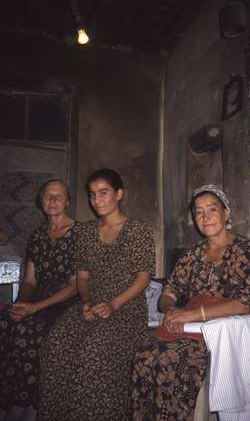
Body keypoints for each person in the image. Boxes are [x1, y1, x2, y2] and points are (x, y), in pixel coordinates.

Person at [130, 184, 250, 421]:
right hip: (189, 323)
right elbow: (168, 294)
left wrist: (191, 315)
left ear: (226, 213)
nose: (205, 217)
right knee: (144, 355)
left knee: (170, 359)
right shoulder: (193, 252)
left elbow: (244, 303)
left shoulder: (246, 249)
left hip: (223, 329)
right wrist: (172, 312)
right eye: (198, 212)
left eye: (212, 209)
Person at [39, 168, 156, 421]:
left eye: (103, 193)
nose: (97, 200)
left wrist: (113, 305)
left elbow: (143, 278)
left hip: (125, 308)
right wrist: (87, 301)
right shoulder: (85, 232)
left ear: (119, 194)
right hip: (92, 306)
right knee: (56, 343)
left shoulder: (137, 230)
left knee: (94, 349)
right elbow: (82, 277)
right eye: (92, 195)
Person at [0, 179, 80, 420]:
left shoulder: (80, 233)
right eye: (48, 195)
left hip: (67, 301)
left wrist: (34, 308)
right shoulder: (36, 236)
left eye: (59, 196)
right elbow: (30, 281)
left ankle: (32, 407)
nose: (53, 200)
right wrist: (21, 304)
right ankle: (14, 402)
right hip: (38, 299)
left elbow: (75, 285)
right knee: (8, 321)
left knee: (30, 328)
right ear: (41, 201)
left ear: (67, 201)